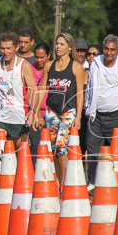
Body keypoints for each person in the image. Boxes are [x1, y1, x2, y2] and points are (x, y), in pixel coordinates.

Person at [85, 35, 118, 184]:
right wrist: (88, 108)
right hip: (95, 115)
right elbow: (89, 86)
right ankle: (92, 183)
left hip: (115, 115)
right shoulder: (96, 63)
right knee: (93, 150)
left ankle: (116, 183)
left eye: (112, 50)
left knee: (114, 151)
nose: (109, 52)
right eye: (106, 49)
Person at [39, 32, 86, 181]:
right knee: (52, 147)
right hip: (52, 110)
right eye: (57, 43)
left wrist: (78, 116)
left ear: (70, 48)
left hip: (68, 110)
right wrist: (35, 111)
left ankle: (65, 182)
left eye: (62, 44)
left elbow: (80, 93)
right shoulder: (49, 65)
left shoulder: (76, 67)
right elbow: (42, 89)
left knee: (61, 146)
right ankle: (58, 181)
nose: (58, 47)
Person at [0, 32, 36, 144]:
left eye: (8, 48)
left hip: (19, 115)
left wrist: (32, 110)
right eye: (2, 48)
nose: (5, 52)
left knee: (20, 153)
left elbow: (32, 89)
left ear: (16, 48)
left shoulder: (24, 65)